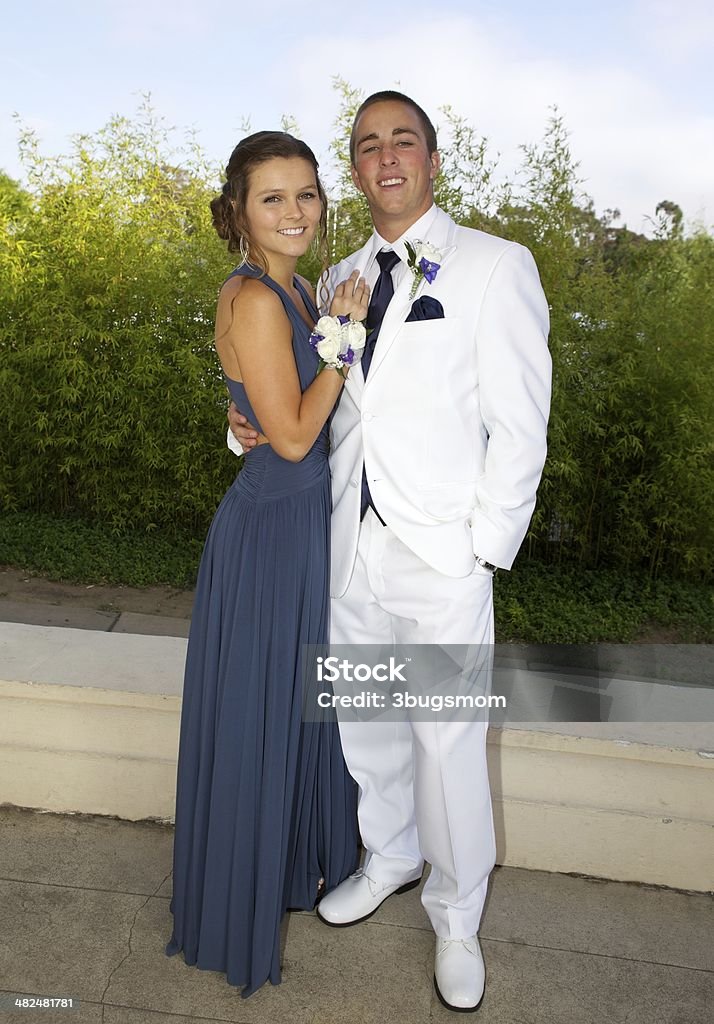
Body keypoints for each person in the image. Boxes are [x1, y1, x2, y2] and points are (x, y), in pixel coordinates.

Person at [229, 92, 551, 1013]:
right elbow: (297, 396)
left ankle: (457, 916)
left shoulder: (496, 266)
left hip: (444, 553)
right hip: (348, 546)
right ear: (356, 170)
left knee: (448, 743)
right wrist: (240, 427)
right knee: (368, 727)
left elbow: (521, 425)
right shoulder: (335, 275)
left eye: (402, 139)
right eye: (368, 145)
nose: (386, 157)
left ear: (432, 159)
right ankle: (393, 855)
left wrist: (483, 550)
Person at [166, 130, 370, 998]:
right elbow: (288, 436)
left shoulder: (292, 289)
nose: (295, 212)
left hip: (296, 523)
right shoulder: (259, 297)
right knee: (261, 708)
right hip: (272, 528)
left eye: (307, 194)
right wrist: (346, 336)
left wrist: (244, 405)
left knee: (292, 701)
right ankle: (239, 899)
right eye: (273, 198)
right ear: (240, 212)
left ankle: (286, 868)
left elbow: (258, 405)